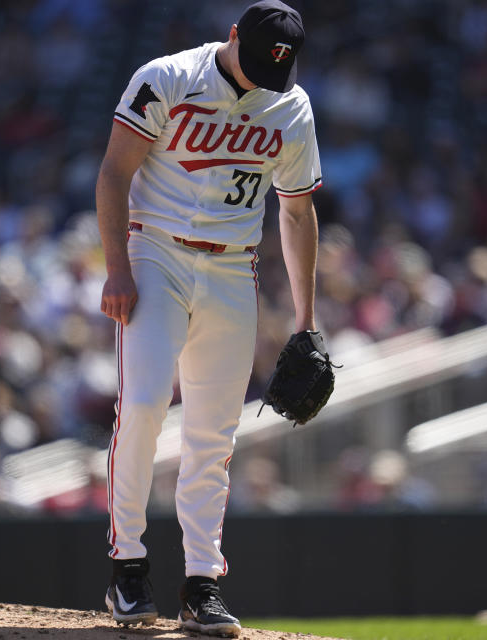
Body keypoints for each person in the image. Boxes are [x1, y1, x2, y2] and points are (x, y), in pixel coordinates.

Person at [97, 1, 321, 635]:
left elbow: (298, 212)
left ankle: (202, 583)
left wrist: (306, 322)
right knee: (141, 405)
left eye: (275, 71)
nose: (260, 79)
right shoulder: (165, 78)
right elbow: (114, 173)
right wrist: (117, 267)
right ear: (231, 39)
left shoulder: (290, 105)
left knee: (213, 433)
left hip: (231, 268)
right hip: (154, 253)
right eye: (253, 64)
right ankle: (128, 568)